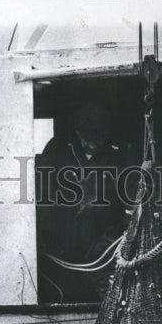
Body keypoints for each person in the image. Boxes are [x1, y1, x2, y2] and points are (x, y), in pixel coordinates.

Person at [35, 103, 131, 302]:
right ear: (77, 131)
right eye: (88, 139)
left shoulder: (118, 154)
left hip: (101, 240)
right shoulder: (56, 150)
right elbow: (43, 194)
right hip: (63, 238)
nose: (94, 145)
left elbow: (126, 195)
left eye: (99, 140)